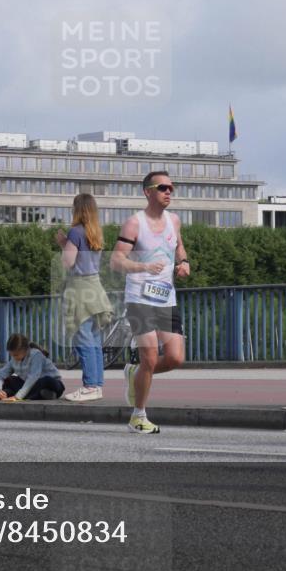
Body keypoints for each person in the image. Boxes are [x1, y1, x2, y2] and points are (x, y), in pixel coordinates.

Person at [110, 171, 189, 434]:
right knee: (151, 356)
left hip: (165, 298)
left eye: (172, 188)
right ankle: (138, 416)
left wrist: (183, 262)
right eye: (163, 187)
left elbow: (179, 246)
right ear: (148, 192)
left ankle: (135, 373)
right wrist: (143, 265)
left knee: (176, 358)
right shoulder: (134, 224)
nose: (169, 192)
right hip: (139, 298)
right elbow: (116, 261)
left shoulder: (174, 220)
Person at [58, 193, 112, 402]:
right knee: (95, 340)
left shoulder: (75, 231)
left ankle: (89, 386)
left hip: (80, 290)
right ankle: (96, 385)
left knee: (83, 338)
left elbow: (68, 262)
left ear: (77, 209)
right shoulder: (95, 232)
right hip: (96, 288)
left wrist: (64, 243)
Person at [0, 333, 64, 401]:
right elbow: (0, 375)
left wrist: (17, 397)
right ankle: (40, 395)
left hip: (52, 384)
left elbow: (32, 378)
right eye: (12, 355)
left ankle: (18, 394)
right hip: (32, 387)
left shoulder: (36, 355)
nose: (14, 357)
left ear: (25, 350)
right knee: (11, 380)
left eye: (16, 355)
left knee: (45, 380)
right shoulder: (14, 359)